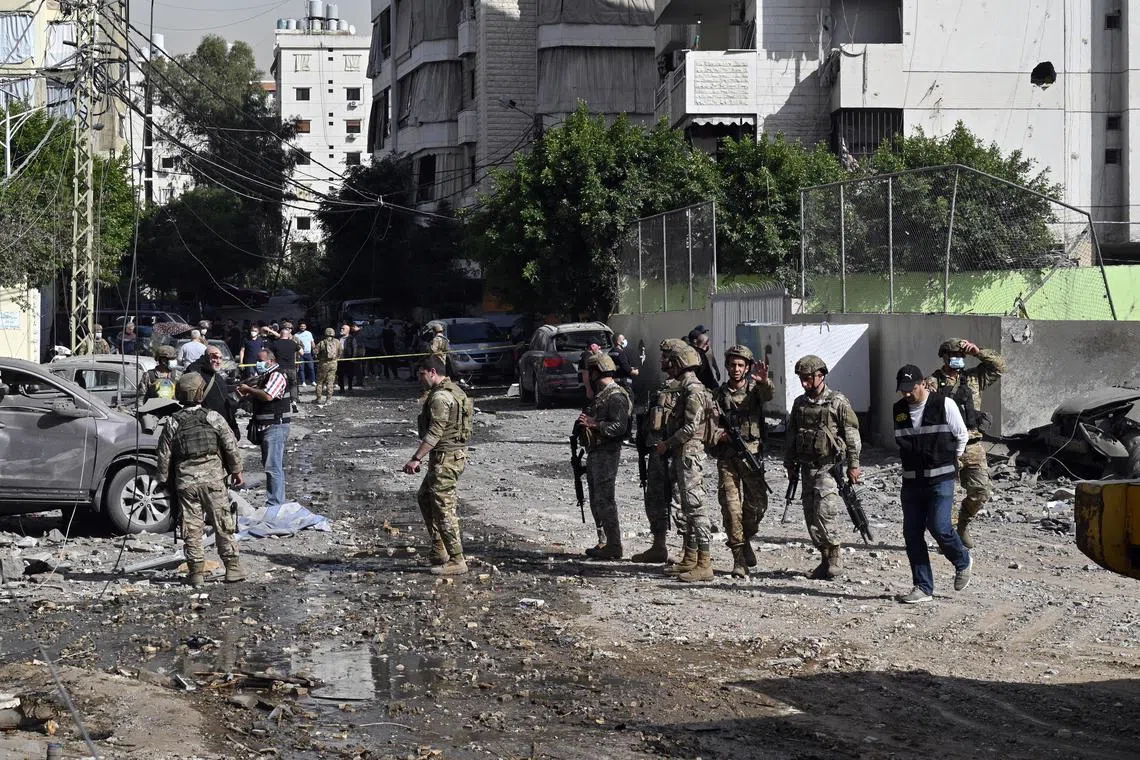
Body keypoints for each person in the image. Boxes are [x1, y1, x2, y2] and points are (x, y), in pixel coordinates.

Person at [155, 372, 245, 586]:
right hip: (213, 480)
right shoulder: (212, 417)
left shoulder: (172, 422)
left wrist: (163, 480)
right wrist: (237, 470)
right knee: (223, 523)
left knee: (192, 527)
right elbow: (230, 445)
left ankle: (196, 573)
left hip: (186, 483)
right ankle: (232, 568)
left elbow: (163, 454)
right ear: (199, 394)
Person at [894, 364, 972, 603]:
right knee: (912, 534)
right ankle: (923, 587)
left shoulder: (944, 404)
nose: (907, 394)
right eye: (903, 390)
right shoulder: (898, 410)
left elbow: (962, 435)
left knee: (939, 526)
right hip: (911, 481)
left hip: (940, 479)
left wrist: (952, 459)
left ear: (922, 384)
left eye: (911, 388)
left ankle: (962, 560)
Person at [783, 355, 862, 580]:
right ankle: (824, 559)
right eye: (802, 379)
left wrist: (854, 465)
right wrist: (789, 463)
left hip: (828, 468)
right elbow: (791, 435)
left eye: (808, 379)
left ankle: (835, 557)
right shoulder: (800, 403)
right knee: (810, 515)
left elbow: (851, 435)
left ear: (821, 376)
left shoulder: (837, 401)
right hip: (806, 468)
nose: (805, 384)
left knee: (826, 512)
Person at [927, 338, 1006, 548]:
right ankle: (948, 539)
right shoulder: (932, 382)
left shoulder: (973, 378)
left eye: (961, 356)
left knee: (981, 492)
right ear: (944, 357)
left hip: (972, 446)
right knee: (945, 496)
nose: (958, 359)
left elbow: (999, 367)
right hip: (946, 447)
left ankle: (962, 525)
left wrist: (977, 352)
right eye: (954, 356)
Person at [402, 356, 473, 576]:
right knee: (425, 496)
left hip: (446, 458)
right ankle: (439, 548)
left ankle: (457, 559)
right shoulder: (454, 391)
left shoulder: (441, 397)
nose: (420, 379)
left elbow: (435, 433)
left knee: (444, 507)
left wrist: (416, 458)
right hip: (446, 457)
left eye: (422, 374)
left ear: (432, 372)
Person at [712, 344, 774, 578]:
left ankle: (745, 537)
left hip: (752, 456)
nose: (736, 369)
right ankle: (738, 557)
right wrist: (721, 435)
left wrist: (765, 381)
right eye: (732, 364)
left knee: (757, 506)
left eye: (741, 365)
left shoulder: (755, 390)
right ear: (727, 366)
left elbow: (769, 394)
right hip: (728, 459)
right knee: (731, 508)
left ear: (747, 368)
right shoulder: (718, 395)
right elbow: (709, 427)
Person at [655, 341, 715, 582]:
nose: (664, 362)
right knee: (687, 509)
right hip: (682, 455)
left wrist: (666, 444)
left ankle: (705, 563)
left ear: (679, 362)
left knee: (696, 506)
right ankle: (690, 557)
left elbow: (690, 427)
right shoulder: (682, 388)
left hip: (690, 455)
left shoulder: (693, 390)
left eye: (667, 358)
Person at [629, 339, 682, 564]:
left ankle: (689, 551)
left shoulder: (686, 386)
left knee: (681, 501)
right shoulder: (665, 385)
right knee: (655, 500)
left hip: (676, 453)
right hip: (656, 452)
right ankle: (658, 546)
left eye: (665, 356)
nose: (661, 360)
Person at [577, 352, 633, 559]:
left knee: (605, 499)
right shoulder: (601, 395)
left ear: (596, 371)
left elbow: (620, 427)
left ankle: (614, 544)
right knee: (596, 498)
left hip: (607, 453)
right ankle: (604, 541)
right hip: (596, 452)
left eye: (589, 371)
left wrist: (595, 424)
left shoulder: (616, 396)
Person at [237, 348, 290, 508]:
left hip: (275, 426)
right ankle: (274, 501)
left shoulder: (276, 375)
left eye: (261, 360)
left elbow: (268, 395)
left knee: (273, 467)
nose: (258, 363)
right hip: (266, 425)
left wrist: (249, 390)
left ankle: (275, 504)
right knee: (270, 465)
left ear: (271, 361)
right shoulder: (265, 376)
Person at [186, 345, 239, 437]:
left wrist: (234, 427)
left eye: (220, 358)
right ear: (206, 358)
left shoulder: (218, 378)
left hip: (223, 428)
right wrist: (205, 358)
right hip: (207, 428)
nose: (218, 361)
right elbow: (191, 369)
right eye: (214, 357)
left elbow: (223, 397)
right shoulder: (198, 373)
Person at [267, 325, 301, 410]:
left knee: (280, 386)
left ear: (280, 334)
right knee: (293, 385)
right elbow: (302, 352)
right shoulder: (293, 343)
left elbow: (268, 354)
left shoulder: (275, 344)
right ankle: (293, 401)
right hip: (292, 368)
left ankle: (281, 403)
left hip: (280, 369)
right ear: (288, 334)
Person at [687, 325, 720, 390]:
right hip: (699, 379)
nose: (704, 334)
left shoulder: (708, 348)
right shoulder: (692, 351)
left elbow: (712, 359)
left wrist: (717, 370)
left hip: (709, 375)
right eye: (703, 332)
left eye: (705, 332)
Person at [314, 327, 342, 405]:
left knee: (320, 382)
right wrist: (336, 358)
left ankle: (318, 399)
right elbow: (340, 351)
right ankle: (328, 400)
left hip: (323, 364)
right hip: (333, 364)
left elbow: (315, 352)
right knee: (330, 382)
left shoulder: (322, 343)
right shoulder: (337, 342)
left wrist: (319, 357)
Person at [296, 321, 316, 387]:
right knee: (301, 369)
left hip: (309, 353)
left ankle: (313, 381)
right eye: (301, 326)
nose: (303, 327)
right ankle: (303, 382)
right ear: (299, 327)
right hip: (300, 354)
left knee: (311, 368)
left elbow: (312, 342)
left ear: (306, 327)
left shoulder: (309, 333)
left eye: (304, 326)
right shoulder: (296, 335)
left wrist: (314, 350)